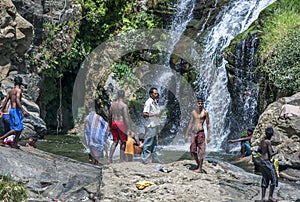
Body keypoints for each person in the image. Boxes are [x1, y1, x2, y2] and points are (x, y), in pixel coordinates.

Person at [0, 76, 28, 148]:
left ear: (14, 82)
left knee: (20, 128)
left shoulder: (11, 91)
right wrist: (23, 110)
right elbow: (17, 100)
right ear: (21, 83)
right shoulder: (18, 90)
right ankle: (1, 138)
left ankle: (15, 143)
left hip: (11, 110)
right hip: (16, 110)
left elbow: (6, 101)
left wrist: (2, 110)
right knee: (16, 129)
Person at [185, 98, 210, 173]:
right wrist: (186, 134)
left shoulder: (205, 113)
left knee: (201, 151)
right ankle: (199, 164)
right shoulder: (193, 112)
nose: (200, 105)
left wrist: (208, 136)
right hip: (193, 132)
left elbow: (208, 124)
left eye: (201, 103)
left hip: (201, 133)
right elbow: (190, 123)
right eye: (199, 103)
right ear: (196, 104)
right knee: (192, 150)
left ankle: (200, 168)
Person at [108, 90, 130, 164]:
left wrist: (110, 125)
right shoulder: (124, 105)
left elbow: (110, 116)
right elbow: (126, 117)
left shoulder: (112, 105)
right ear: (123, 96)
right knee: (123, 142)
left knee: (115, 142)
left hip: (114, 123)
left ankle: (109, 159)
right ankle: (121, 159)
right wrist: (128, 128)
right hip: (121, 124)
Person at [142, 87, 161, 164]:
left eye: (157, 93)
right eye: (155, 93)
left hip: (155, 124)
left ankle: (155, 159)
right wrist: (155, 115)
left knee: (154, 143)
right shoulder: (148, 102)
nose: (157, 95)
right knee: (148, 142)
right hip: (150, 125)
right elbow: (144, 114)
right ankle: (145, 159)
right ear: (150, 94)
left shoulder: (154, 102)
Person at [259, 127, 278, 202]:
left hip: (262, 161)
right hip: (267, 162)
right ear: (271, 134)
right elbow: (271, 154)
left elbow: (259, 150)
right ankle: (270, 197)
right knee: (273, 178)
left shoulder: (262, 141)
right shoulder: (268, 142)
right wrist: (276, 152)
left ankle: (263, 198)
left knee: (265, 178)